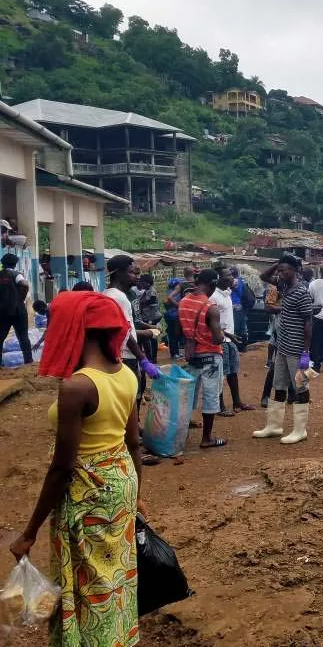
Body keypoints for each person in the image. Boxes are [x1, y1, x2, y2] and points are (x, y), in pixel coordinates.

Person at [10, 291, 147, 646]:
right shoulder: (126, 374)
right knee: (113, 575)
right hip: (120, 481)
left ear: (74, 328)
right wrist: (136, 495)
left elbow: (62, 468)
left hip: (88, 492)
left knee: (88, 583)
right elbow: (133, 443)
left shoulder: (78, 386)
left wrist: (30, 531)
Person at [255, 255, 314, 444]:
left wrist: (306, 352)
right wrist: (277, 264)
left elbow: (308, 322)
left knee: (300, 388)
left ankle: (300, 430)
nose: (281, 273)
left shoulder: (301, 293)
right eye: (280, 271)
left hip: (297, 350)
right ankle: (274, 425)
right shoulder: (284, 287)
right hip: (282, 347)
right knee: (278, 385)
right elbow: (264, 277)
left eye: (285, 270)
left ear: (296, 270)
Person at [179, 269, 229, 449]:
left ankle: (180, 435)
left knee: (189, 396)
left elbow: (186, 329)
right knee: (210, 397)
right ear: (213, 284)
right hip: (210, 356)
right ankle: (207, 438)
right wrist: (223, 335)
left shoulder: (183, 302)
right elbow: (216, 338)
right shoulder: (211, 307)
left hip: (192, 356)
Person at [104, 255, 160, 400]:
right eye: (131, 272)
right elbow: (124, 332)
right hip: (125, 356)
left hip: (121, 354)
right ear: (118, 273)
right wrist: (143, 359)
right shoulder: (119, 298)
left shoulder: (109, 294)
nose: (136, 276)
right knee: (130, 400)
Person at [211, 271, 253, 413]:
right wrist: (225, 335)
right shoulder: (214, 297)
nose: (232, 279)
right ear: (220, 279)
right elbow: (212, 323)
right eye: (228, 276)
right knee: (221, 374)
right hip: (221, 340)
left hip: (230, 339)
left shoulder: (227, 293)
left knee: (233, 372)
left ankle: (237, 402)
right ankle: (220, 406)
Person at [0, 252, 32, 367]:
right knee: (23, 337)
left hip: (2, 311)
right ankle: (28, 362)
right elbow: (24, 284)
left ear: (2, 263)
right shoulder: (17, 274)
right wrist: (20, 299)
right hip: (19, 311)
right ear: (15, 264)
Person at [135, 274, 161, 365]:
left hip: (151, 317)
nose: (140, 284)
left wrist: (141, 303)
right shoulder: (147, 291)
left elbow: (151, 301)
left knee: (152, 338)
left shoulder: (151, 291)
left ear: (147, 283)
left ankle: (153, 358)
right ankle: (150, 357)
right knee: (148, 338)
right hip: (148, 317)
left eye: (142, 282)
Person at [229, 267, 255, 345]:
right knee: (242, 326)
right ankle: (244, 345)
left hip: (236, 307)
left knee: (236, 328)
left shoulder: (234, 282)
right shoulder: (242, 280)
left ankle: (237, 346)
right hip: (241, 307)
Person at [164, 277, 184, 359]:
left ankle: (176, 352)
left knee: (173, 335)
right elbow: (167, 301)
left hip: (170, 315)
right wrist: (179, 305)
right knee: (174, 335)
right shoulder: (176, 293)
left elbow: (165, 303)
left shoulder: (169, 291)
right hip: (174, 316)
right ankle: (174, 353)